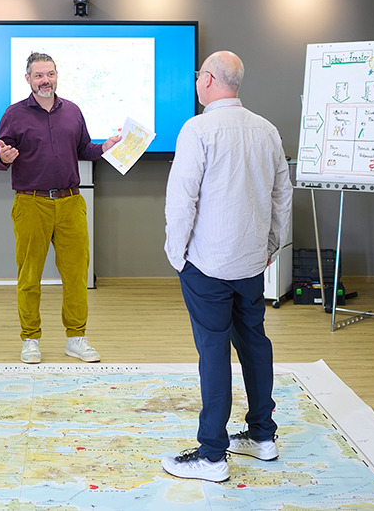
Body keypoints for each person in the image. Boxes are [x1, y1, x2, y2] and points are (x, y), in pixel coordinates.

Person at [160, 50, 293, 483]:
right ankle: (262, 436)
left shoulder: (198, 128)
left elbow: (183, 199)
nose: (198, 81)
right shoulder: (266, 129)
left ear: (211, 80)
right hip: (252, 260)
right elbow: (282, 194)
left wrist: (176, 254)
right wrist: (272, 243)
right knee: (254, 342)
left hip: (207, 263)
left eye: (200, 75)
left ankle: (212, 456)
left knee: (213, 350)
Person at [0, 51, 120, 364]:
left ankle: (76, 338)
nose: (45, 80)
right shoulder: (14, 114)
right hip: (31, 203)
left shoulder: (73, 112)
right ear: (28, 79)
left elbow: (84, 150)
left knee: (76, 274)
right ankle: (30, 339)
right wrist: (3, 158)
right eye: (39, 75)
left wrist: (105, 147)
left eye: (50, 74)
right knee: (29, 275)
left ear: (56, 76)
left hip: (71, 202)